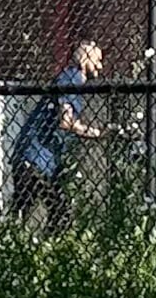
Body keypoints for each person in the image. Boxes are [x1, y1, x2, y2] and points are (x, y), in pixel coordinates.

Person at [10, 41, 106, 227]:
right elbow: (66, 121)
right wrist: (94, 132)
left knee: (22, 212)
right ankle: (47, 248)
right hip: (36, 160)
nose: (100, 66)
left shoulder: (71, 80)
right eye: (98, 60)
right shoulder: (73, 78)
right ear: (85, 58)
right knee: (60, 214)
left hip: (36, 160)